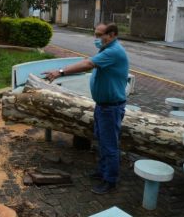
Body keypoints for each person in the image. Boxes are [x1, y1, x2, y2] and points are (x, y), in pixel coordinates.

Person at [42, 23, 129, 194]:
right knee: (102, 142)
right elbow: (87, 61)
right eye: (94, 34)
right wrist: (63, 70)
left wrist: (60, 72)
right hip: (103, 106)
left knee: (110, 146)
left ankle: (110, 180)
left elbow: (88, 64)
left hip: (111, 109)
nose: (96, 39)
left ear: (112, 34)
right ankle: (102, 172)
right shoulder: (106, 49)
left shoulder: (113, 51)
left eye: (99, 35)